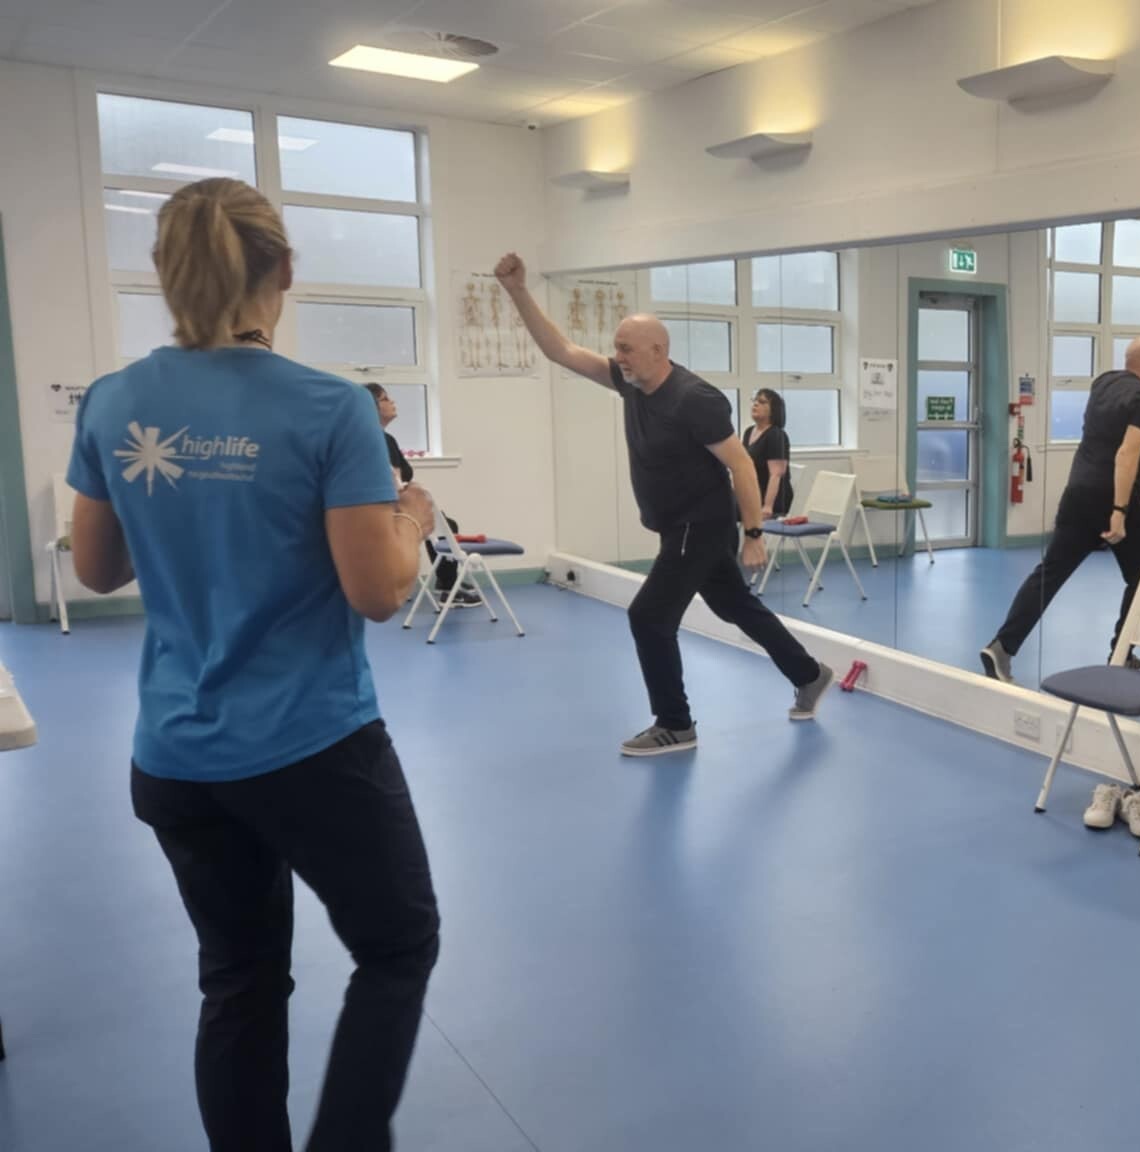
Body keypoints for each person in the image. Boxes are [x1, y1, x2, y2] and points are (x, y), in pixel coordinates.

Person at [66, 178, 440, 1152]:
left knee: (238, 979)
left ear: (164, 275)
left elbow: (99, 570)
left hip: (177, 755)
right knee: (398, 945)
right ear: (283, 271)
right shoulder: (329, 408)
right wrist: (411, 519)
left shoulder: (114, 402)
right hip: (312, 746)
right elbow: (377, 590)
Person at [494, 252, 833, 756]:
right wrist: (518, 290)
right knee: (734, 604)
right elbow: (561, 350)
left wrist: (755, 534)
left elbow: (741, 465)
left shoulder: (694, 398)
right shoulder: (631, 385)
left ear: (658, 350)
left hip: (701, 521)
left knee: (648, 616)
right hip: (679, 524)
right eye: (617, 350)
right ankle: (809, 673)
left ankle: (675, 723)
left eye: (628, 349)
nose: (619, 357)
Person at [980, 302, 1140, 686]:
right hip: (1113, 498)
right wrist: (1118, 511)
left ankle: (1002, 646)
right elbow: (1127, 454)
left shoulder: (1105, 381)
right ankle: (1121, 653)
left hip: (1077, 491)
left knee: (1050, 572)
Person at [363, 382, 481, 607]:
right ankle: (449, 587)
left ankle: (448, 582)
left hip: (378, 509)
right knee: (444, 525)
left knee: (443, 523)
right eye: (386, 399)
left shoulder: (379, 438)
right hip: (391, 512)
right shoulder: (381, 440)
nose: (393, 402)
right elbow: (394, 484)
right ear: (372, 407)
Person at [743, 388, 794, 519]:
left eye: (762, 402)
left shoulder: (776, 435)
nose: (755, 404)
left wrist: (767, 506)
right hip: (753, 493)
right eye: (754, 401)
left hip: (772, 499)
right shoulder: (749, 432)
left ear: (773, 410)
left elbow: (776, 474)